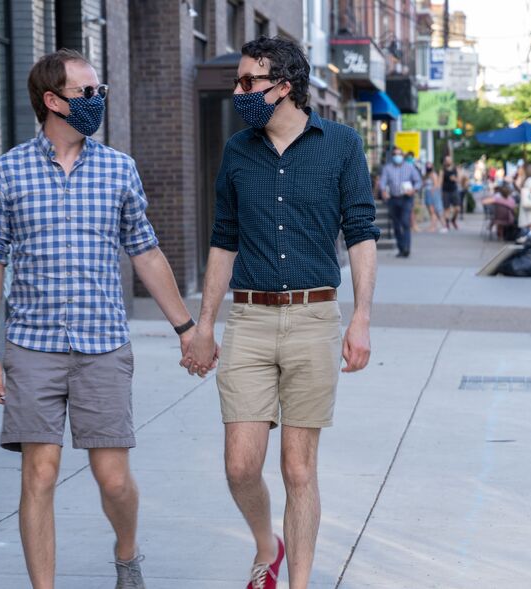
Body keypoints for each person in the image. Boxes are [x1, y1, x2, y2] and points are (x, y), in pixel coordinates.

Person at [0, 49, 200, 589]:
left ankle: (126, 554)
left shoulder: (119, 168)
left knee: (113, 479)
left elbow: (145, 252)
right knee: (40, 473)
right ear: (53, 101)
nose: (98, 100)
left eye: (100, 91)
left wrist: (186, 329)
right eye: (87, 93)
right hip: (32, 344)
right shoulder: (7, 171)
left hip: (102, 345)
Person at [184, 36, 380, 589]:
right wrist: (204, 325)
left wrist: (361, 317)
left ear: (284, 86)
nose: (239, 91)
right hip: (248, 321)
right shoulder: (237, 150)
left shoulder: (340, 144)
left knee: (298, 468)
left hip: (314, 320)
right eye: (237, 82)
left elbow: (362, 234)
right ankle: (266, 545)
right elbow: (223, 240)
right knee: (241, 466)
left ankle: (298, 583)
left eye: (249, 82)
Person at [378, 146, 423, 257]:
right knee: (396, 224)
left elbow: (418, 181)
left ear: (402, 156)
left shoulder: (409, 167)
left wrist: (413, 189)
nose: (397, 156)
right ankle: (401, 248)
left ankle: (407, 248)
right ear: (392, 156)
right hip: (393, 198)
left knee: (405, 222)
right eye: (394, 154)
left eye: (399, 154)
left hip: (406, 198)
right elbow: (383, 182)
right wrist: (383, 191)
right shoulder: (387, 168)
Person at [422, 162, 445, 233]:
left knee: (433, 211)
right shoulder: (426, 175)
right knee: (431, 211)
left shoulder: (433, 174)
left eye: (429, 166)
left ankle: (435, 226)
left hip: (431, 194)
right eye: (427, 166)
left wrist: (433, 193)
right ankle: (433, 226)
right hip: (427, 193)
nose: (428, 167)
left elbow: (436, 185)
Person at [440, 154, 460, 230]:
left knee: (457, 208)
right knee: (447, 208)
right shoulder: (443, 170)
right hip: (445, 191)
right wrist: (440, 191)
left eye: (449, 160)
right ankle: (447, 223)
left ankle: (453, 220)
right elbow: (441, 181)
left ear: (451, 161)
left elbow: (459, 179)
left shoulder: (455, 169)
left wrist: (455, 179)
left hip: (454, 190)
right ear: (445, 161)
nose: (448, 161)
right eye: (446, 160)